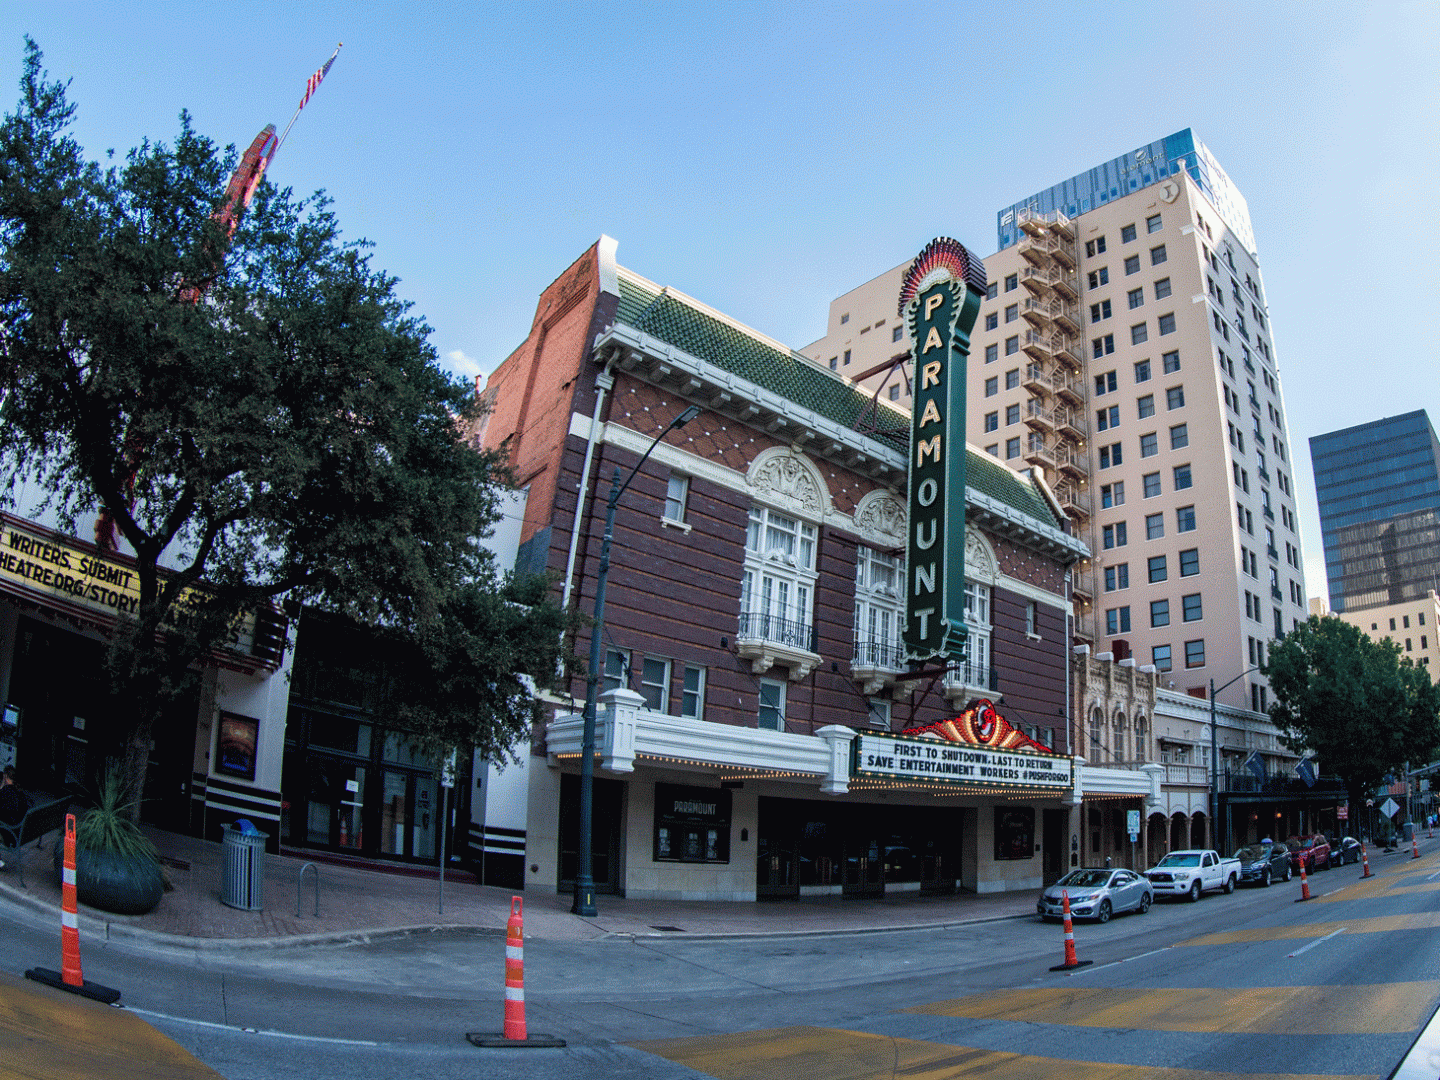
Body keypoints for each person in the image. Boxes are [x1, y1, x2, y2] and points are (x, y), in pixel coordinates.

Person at [0, 766, 26, 871]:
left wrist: (1, 787)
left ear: (5, 777)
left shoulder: (4, 792)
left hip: (11, 835)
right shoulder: (20, 792)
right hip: (21, 832)